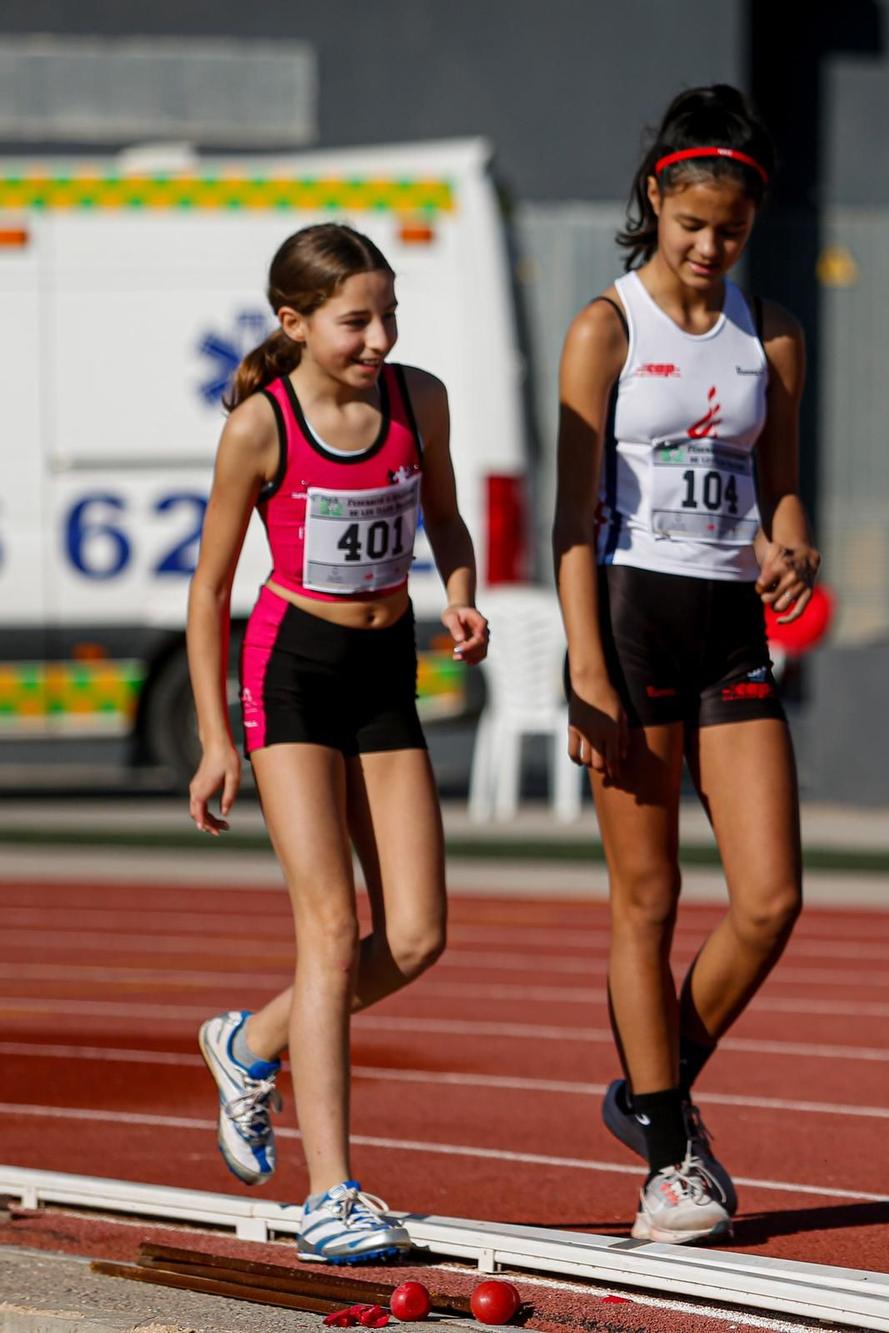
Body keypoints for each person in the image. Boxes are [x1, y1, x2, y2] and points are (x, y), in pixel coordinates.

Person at [186, 222, 488, 1264]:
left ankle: (250, 1041)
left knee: (414, 935)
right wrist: (215, 738)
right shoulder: (261, 430)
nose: (376, 337)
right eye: (355, 320)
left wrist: (459, 595)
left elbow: (445, 518)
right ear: (295, 322)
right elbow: (209, 589)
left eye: (387, 315)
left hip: (384, 670)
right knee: (328, 928)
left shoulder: (421, 401)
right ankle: (332, 1193)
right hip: (293, 671)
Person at [551, 85, 816, 1246]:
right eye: (692, 225)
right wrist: (584, 671)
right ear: (655, 199)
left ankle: (649, 1081)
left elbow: (783, 485)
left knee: (768, 897)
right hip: (629, 615)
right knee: (645, 898)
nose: (709, 249)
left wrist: (791, 540)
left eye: (731, 231)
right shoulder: (605, 328)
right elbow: (566, 518)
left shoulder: (772, 332)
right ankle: (668, 1153)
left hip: (728, 624)